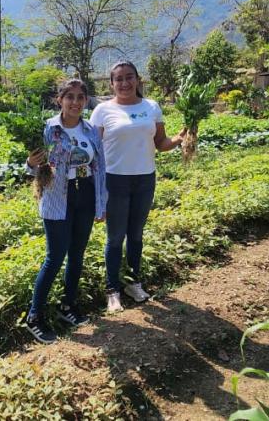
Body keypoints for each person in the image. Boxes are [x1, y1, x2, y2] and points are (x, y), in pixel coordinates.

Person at [89, 61, 187, 313]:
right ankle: (112, 290)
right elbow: (92, 150)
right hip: (115, 180)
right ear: (111, 84)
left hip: (145, 179)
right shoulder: (102, 111)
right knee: (115, 238)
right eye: (118, 79)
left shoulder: (151, 107)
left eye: (129, 77)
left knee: (136, 235)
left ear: (138, 80)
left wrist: (180, 138)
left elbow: (160, 142)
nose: (124, 83)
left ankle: (134, 283)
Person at [24, 78, 107, 344]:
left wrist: (100, 202)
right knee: (55, 257)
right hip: (57, 197)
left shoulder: (91, 130)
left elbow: (100, 167)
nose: (75, 102)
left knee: (77, 255)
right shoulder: (48, 129)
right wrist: (30, 164)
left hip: (85, 194)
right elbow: (33, 168)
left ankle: (68, 306)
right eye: (69, 96)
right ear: (59, 100)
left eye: (80, 97)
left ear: (86, 100)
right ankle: (34, 316)